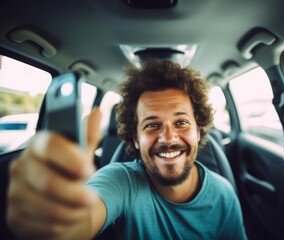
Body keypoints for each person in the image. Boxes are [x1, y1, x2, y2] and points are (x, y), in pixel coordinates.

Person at [6, 60, 247, 239]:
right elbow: (82, 221)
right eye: (152, 125)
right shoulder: (119, 180)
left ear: (199, 130)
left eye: (181, 122)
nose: (168, 137)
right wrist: (56, 219)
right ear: (134, 139)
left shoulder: (224, 195)